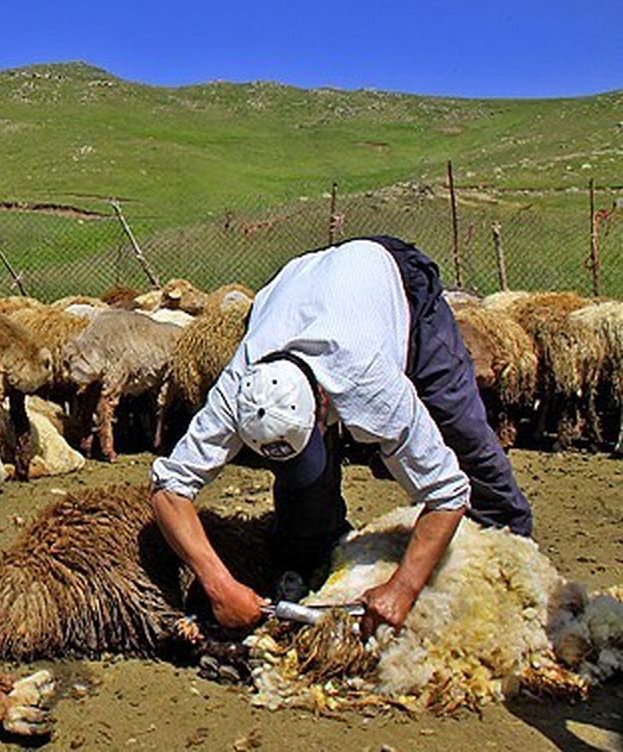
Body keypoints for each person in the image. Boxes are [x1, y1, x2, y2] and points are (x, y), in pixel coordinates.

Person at [150, 236, 533, 634]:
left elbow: (448, 493)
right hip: (290, 289)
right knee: (305, 492)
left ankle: (510, 554)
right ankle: (319, 563)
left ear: (322, 405)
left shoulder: (370, 381)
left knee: (461, 434)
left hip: (392, 282)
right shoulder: (238, 390)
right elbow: (169, 487)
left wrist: (401, 589)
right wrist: (219, 585)